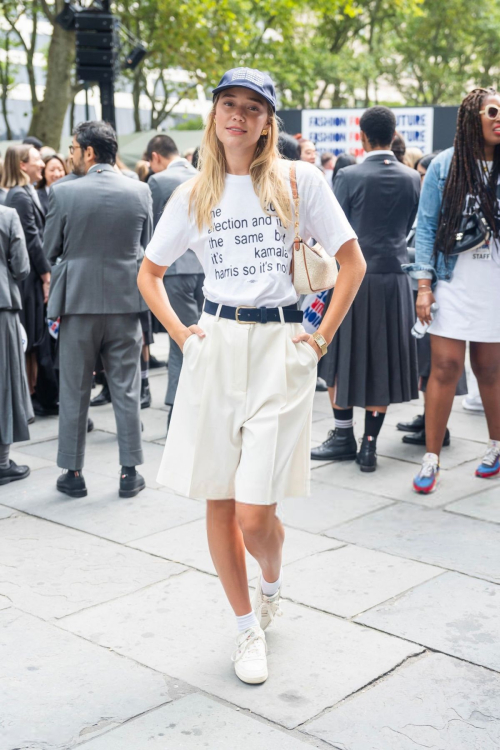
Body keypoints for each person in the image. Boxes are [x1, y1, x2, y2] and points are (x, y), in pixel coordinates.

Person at [138, 67, 365, 684]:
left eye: (253, 108)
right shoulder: (193, 193)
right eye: (228, 104)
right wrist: (183, 335)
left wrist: (318, 340)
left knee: (256, 515)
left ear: (269, 122)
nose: (238, 116)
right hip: (216, 343)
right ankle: (245, 628)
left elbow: (352, 264)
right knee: (219, 498)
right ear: (214, 115)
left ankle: (272, 578)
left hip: (281, 347)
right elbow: (149, 274)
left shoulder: (300, 180)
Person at [43, 120, 153, 499]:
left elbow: (48, 249)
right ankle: (129, 472)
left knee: (74, 388)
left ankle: (73, 473)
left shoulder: (62, 193)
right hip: (126, 301)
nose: (71, 154)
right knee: (126, 386)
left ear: (89, 152)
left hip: (78, 303)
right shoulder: (140, 191)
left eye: (73, 148)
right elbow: (146, 246)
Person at [315, 106, 420, 471]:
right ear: (393, 135)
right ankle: (369, 445)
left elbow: (333, 229)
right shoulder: (411, 178)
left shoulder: (348, 175)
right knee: (383, 360)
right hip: (394, 279)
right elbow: (408, 226)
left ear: (361, 136)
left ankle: (343, 435)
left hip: (352, 278)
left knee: (337, 356)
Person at [408, 88, 500, 493]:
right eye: (493, 111)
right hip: (451, 281)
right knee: (444, 367)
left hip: (494, 284)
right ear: (471, 117)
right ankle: (432, 458)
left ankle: (495, 447)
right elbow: (425, 228)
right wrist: (423, 286)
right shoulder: (445, 166)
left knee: (491, 369)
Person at [397, 151, 467, 447]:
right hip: (426, 286)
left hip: (440, 286)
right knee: (428, 361)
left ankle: (438, 428)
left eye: (423, 175)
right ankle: (429, 420)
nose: (421, 180)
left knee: (437, 363)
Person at [145, 133, 204, 418]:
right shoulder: (203, 175)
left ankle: (177, 407)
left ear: (155, 156)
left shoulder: (158, 181)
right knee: (202, 333)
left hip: (173, 270)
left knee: (180, 338)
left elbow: (154, 230)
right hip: (204, 269)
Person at [3, 145, 53, 410]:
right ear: (22, 165)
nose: (42, 164)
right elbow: (32, 241)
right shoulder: (21, 197)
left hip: (30, 278)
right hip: (29, 280)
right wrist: (47, 275)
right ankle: (29, 398)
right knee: (31, 339)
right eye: (37, 160)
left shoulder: (23, 194)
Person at [0, 204, 33, 485]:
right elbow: (21, 267)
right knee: (5, 382)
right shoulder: (6, 215)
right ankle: (1, 461)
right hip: (2, 306)